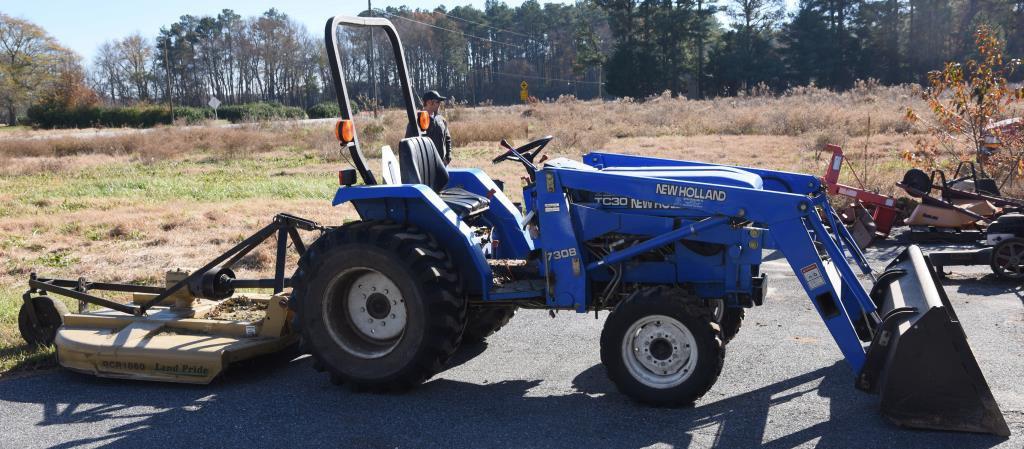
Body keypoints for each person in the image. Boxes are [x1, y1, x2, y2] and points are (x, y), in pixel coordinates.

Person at [407, 90, 452, 165]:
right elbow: (409, 143)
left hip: (441, 164)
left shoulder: (442, 120)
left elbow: (448, 139)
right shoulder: (416, 120)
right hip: (423, 166)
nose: (440, 104)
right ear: (428, 102)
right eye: (437, 102)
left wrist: (448, 157)